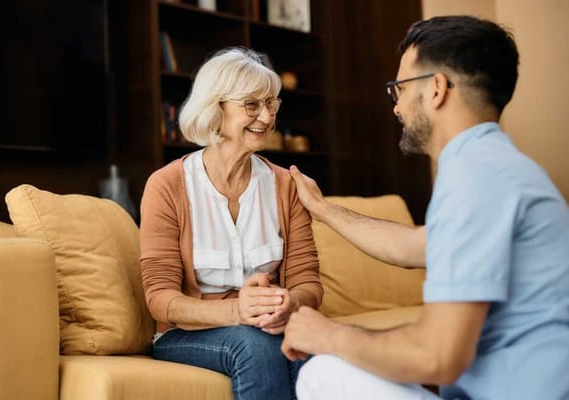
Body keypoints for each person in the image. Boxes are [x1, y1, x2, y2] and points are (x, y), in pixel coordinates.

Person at [281, 15, 569, 400]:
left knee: (322, 373)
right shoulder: (501, 167)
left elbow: (438, 356)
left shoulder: (474, 177)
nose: (396, 107)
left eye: (399, 88)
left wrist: (328, 334)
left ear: (435, 89)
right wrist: (322, 208)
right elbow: (411, 246)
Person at [139, 47, 323, 400]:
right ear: (215, 108)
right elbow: (161, 300)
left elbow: (309, 284)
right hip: (186, 333)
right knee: (255, 346)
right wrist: (238, 310)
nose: (267, 117)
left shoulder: (286, 185)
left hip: (268, 328)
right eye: (251, 105)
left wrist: (287, 302)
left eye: (272, 104)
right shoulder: (166, 185)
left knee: (314, 345)